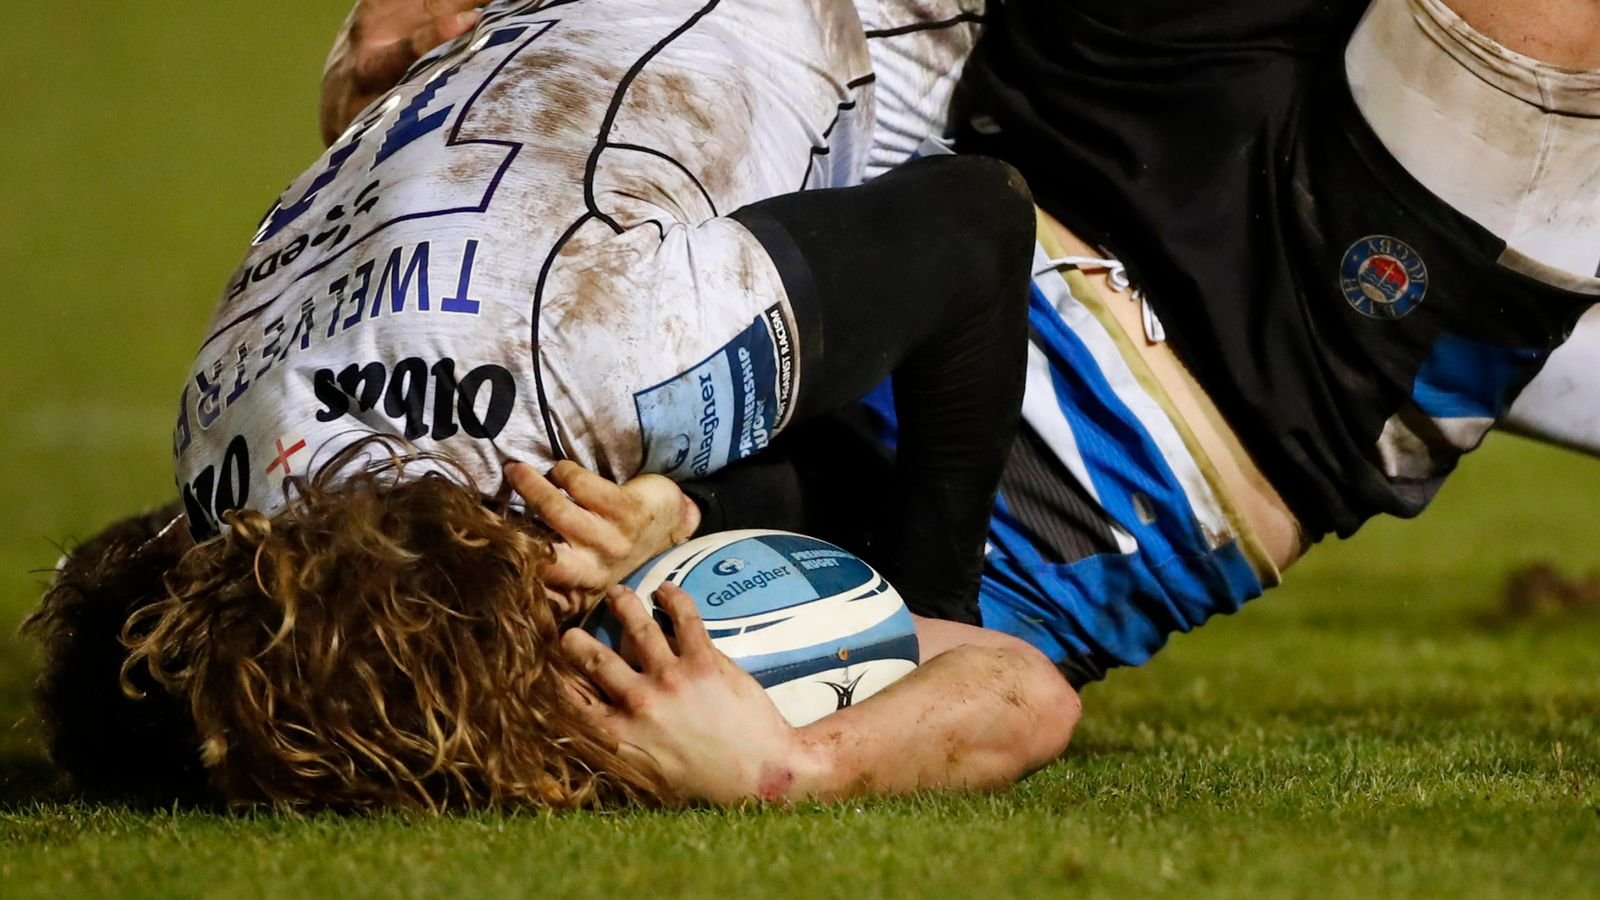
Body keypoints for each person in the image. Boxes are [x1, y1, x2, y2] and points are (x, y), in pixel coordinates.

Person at [25, 0, 1080, 811]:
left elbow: (976, 219)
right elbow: (112, 612)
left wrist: (903, 638)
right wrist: (676, 509)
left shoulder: (616, 352)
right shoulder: (219, 462)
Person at [677, 0, 1600, 691]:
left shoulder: (614, 499)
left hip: (1068, 149)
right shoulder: (731, 690)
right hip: (1285, 383)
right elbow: (1020, 701)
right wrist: (791, 770)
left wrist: (663, 509)